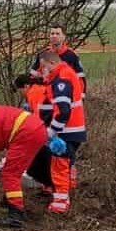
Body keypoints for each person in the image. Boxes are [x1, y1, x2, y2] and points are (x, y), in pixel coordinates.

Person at [0, 103, 60, 228]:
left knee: (10, 174)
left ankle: (16, 214)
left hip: (26, 132)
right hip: (35, 128)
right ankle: (11, 199)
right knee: (29, 170)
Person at [34, 48, 86, 213]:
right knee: (65, 162)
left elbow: (63, 111)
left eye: (43, 68)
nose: (42, 72)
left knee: (59, 164)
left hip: (67, 130)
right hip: (74, 129)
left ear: (52, 63)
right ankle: (65, 191)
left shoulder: (61, 79)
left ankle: (61, 202)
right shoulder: (64, 74)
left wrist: (52, 131)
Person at [30, 24, 86, 96]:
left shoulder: (71, 55)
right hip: (46, 96)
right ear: (49, 36)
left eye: (57, 34)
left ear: (64, 37)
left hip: (66, 96)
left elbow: (80, 79)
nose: (54, 36)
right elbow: (33, 76)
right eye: (52, 33)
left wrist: (81, 97)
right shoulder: (42, 54)